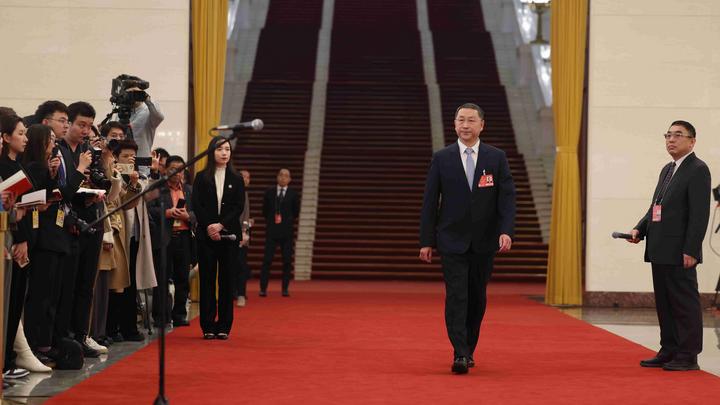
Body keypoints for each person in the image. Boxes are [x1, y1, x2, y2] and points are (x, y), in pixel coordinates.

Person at [419, 103, 516, 374]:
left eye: (471, 120)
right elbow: (430, 202)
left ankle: (469, 347)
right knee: (457, 296)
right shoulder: (442, 158)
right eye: (460, 120)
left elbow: (507, 199)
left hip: (485, 241)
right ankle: (460, 352)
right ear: (454, 124)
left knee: (477, 297)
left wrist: (506, 231)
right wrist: (426, 240)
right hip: (451, 239)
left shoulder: (496, 158)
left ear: (481, 125)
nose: (465, 125)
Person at [627, 120, 710, 371]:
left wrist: (691, 249)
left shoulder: (698, 169)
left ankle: (688, 355)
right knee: (665, 304)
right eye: (668, 135)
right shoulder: (667, 169)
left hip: (680, 251)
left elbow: (699, 215)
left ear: (692, 141)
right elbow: (656, 207)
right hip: (660, 248)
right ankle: (669, 349)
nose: (671, 140)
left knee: (684, 304)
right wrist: (640, 229)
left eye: (677, 135)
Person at [23, 123, 87, 367]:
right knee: (40, 297)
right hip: (43, 237)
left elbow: (57, 195)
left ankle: (45, 343)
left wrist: (52, 177)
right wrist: (78, 170)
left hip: (55, 235)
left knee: (52, 296)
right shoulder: (34, 167)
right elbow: (58, 194)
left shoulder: (47, 167)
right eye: (49, 139)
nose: (54, 143)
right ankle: (35, 345)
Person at [192, 137, 244, 340]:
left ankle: (224, 326)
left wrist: (221, 225)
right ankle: (207, 325)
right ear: (211, 152)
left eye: (227, 149)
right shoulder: (201, 177)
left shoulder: (237, 178)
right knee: (207, 280)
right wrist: (209, 226)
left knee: (226, 281)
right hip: (206, 236)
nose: (224, 153)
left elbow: (238, 207)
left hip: (229, 236)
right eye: (220, 149)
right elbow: (197, 205)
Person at [148, 155, 195, 326]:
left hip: (184, 237)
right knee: (162, 278)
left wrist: (188, 216)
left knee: (183, 277)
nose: (177, 173)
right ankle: (161, 316)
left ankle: (180, 314)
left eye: (181, 170)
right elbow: (149, 209)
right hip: (164, 238)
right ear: (166, 170)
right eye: (174, 169)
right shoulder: (157, 188)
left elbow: (198, 212)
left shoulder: (189, 190)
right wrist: (167, 213)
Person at [259, 168, 300, 297]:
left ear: (290, 179)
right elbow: (264, 211)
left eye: (286, 176)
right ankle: (263, 288)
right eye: (281, 175)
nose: (283, 178)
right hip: (272, 231)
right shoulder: (269, 192)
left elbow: (296, 212)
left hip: (287, 233)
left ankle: (285, 289)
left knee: (287, 261)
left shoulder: (293, 194)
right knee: (267, 260)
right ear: (277, 177)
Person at [235, 169, 252, 307]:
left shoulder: (245, 193)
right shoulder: (232, 191)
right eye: (242, 176)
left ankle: (241, 293)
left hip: (241, 234)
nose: (245, 179)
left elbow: (246, 214)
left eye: (247, 177)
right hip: (229, 232)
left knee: (241, 265)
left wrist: (245, 229)